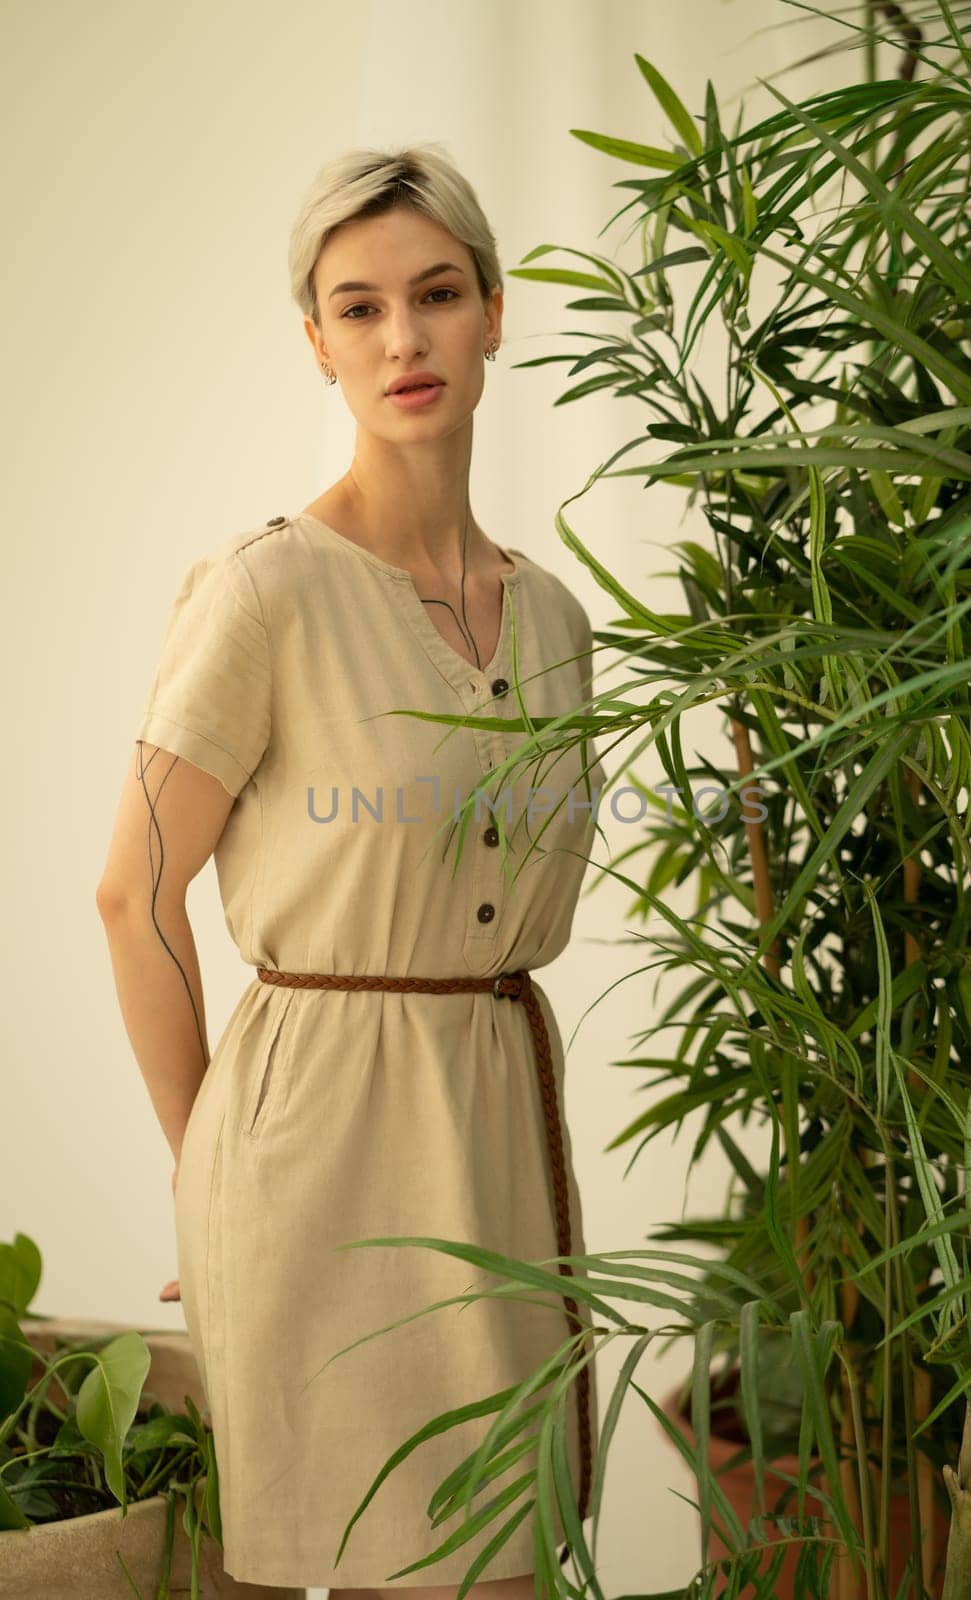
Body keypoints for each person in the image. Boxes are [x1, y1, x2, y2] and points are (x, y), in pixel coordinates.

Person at [96, 143, 605, 1597]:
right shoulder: (265, 592)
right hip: (307, 1144)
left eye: (436, 294)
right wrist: (204, 1171)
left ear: (495, 311)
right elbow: (128, 894)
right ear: (316, 343)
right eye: (360, 306)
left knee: (497, 1565)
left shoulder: (560, 619)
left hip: (496, 1129)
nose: (404, 338)